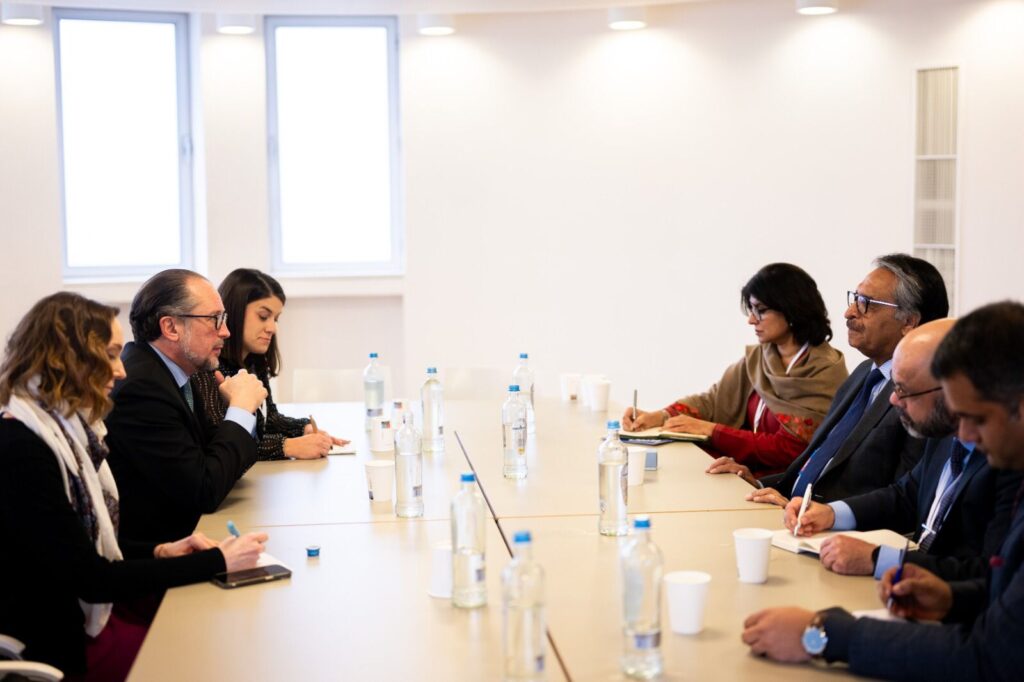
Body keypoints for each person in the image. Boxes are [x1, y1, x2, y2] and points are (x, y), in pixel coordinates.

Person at [741, 301, 1024, 680]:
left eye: (976, 418)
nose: (965, 433)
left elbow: (990, 657)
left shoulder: (1008, 467)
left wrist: (822, 634)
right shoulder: (973, 441)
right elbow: (1006, 592)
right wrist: (952, 598)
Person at [0, 292, 267, 680]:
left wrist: (160, 551)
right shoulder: (21, 449)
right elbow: (92, 578)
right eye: (109, 355)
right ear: (68, 360)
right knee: (203, 657)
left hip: (87, 616)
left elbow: (78, 547)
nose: (120, 370)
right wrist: (218, 562)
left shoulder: (63, 433)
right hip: (59, 640)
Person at [783, 319, 1020, 580]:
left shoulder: (1008, 458)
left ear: (951, 391)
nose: (893, 399)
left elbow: (990, 575)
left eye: (903, 389)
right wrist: (831, 513)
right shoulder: (943, 433)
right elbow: (906, 495)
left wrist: (878, 559)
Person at [713, 254, 948, 507]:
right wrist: (758, 484)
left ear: (909, 321)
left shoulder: (925, 394)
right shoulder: (863, 373)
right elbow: (814, 464)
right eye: (854, 299)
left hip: (835, 526)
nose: (849, 312)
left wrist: (820, 514)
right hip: (797, 512)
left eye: (866, 303)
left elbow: (904, 499)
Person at [623, 263, 848, 479]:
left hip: (785, 486)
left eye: (760, 310)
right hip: (742, 472)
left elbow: (791, 448)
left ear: (791, 309)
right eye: (751, 310)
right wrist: (660, 416)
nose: (751, 320)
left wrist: (712, 431)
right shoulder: (760, 358)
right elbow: (712, 401)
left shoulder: (824, 370)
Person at [106, 269, 268, 545]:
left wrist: (238, 409)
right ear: (171, 327)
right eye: (214, 319)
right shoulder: (142, 388)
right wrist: (240, 410)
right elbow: (205, 491)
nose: (226, 331)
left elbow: (218, 464)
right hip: (159, 552)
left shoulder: (175, 373)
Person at [190, 268, 347, 460]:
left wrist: (304, 428)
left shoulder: (254, 360)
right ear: (234, 312)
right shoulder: (208, 366)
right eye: (263, 316)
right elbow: (221, 441)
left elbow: (269, 420)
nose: (273, 328)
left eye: (276, 318)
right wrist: (286, 446)